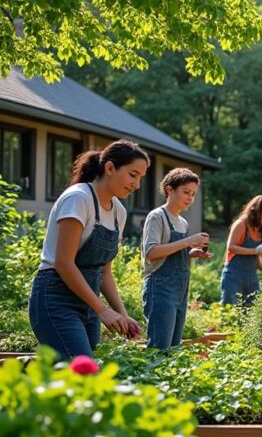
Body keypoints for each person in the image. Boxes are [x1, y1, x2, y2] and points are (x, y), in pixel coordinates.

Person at [29, 139, 148, 359]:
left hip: (89, 304)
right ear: (110, 168)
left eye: (141, 178)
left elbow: (104, 272)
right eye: (133, 175)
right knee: (83, 374)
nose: (137, 185)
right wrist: (102, 310)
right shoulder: (78, 198)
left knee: (82, 381)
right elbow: (63, 263)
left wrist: (122, 314)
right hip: (55, 299)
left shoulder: (118, 212)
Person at [141, 168, 212, 349]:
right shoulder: (157, 216)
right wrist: (188, 241)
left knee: (173, 348)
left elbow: (173, 252)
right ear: (169, 190)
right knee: (159, 348)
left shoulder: (183, 222)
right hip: (160, 288)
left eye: (193, 194)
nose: (190, 198)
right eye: (186, 192)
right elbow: (151, 252)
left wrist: (193, 253)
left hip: (180, 289)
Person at [221, 195, 262, 306]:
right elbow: (231, 247)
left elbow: (255, 257)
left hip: (252, 277)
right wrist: (257, 250)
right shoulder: (241, 224)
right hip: (233, 276)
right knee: (229, 312)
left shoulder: (259, 229)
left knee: (252, 313)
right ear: (257, 210)